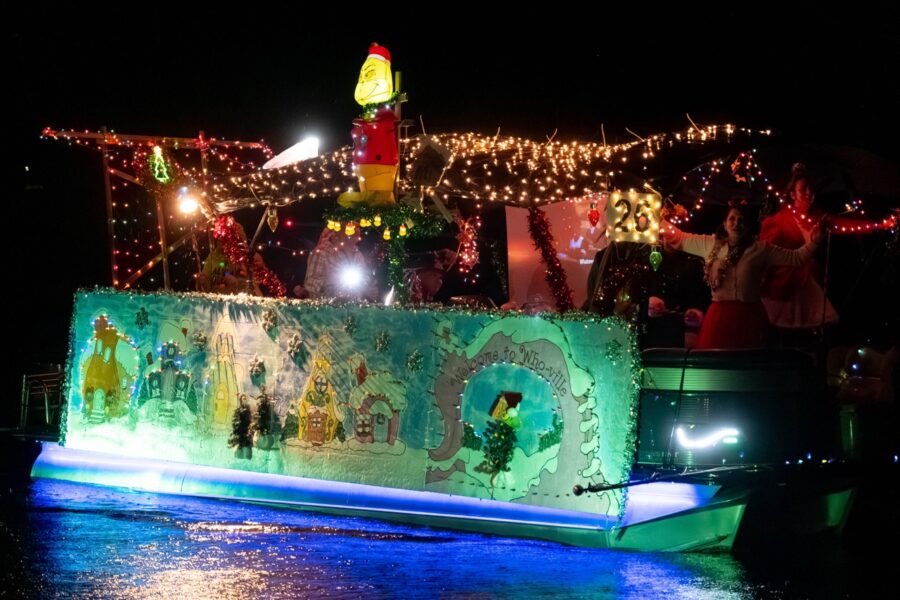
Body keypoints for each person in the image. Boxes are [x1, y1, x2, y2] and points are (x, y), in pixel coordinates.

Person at [661, 200, 821, 349]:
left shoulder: (761, 249)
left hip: (750, 318)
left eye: (741, 219)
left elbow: (796, 258)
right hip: (719, 319)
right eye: (732, 219)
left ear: (749, 225)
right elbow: (679, 238)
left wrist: (815, 241)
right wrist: (655, 216)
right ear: (724, 224)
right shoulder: (710, 244)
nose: (737, 223)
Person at [760, 163, 838, 334]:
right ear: (792, 194)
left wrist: (883, 223)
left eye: (810, 189)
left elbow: (843, 225)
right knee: (780, 331)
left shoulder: (817, 217)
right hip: (784, 284)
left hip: (807, 280)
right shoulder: (779, 220)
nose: (809, 193)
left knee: (818, 326)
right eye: (803, 189)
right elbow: (763, 251)